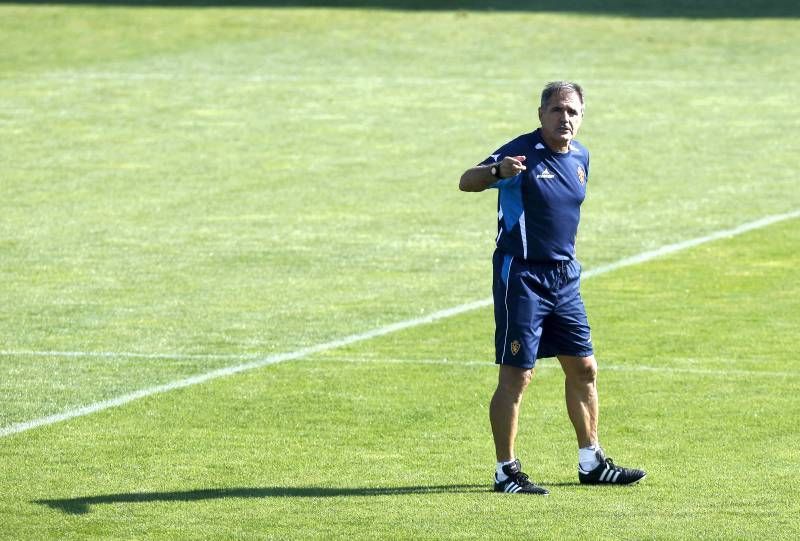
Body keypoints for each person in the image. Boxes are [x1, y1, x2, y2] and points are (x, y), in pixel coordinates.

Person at [459, 81, 646, 495]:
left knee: (584, 368)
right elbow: (466, 180)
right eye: (558, 110)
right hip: (521, 275)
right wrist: (497, 171)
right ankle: (505, 470)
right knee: (518, 374)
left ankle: (591, 461)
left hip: (565, 277)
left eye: (573, 112)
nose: (565, 119)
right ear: (541, 113)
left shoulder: (581, 156)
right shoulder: (520, 153)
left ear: (582, 117)